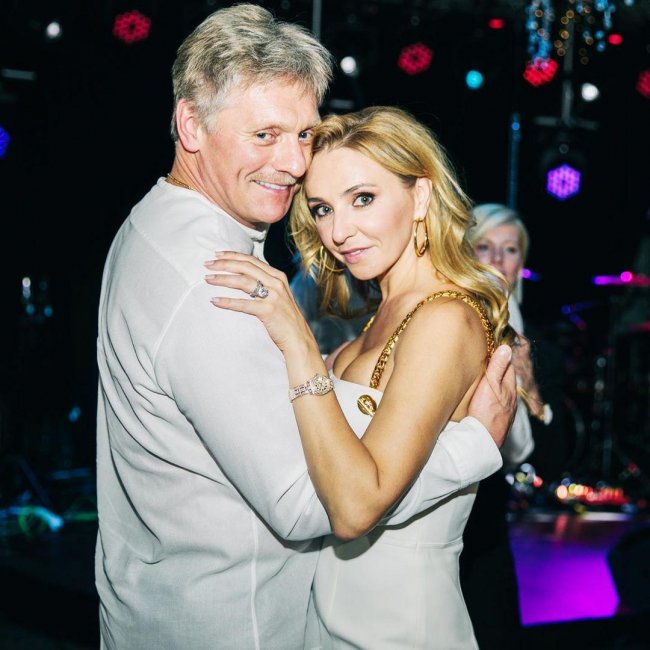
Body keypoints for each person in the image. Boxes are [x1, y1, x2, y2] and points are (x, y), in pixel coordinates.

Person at [95, 6, 516, 649]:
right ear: (191, 126)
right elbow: (311, 503)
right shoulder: (216, 278)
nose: (293, 162)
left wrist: (300, 348)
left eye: (302, 135)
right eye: (265, 134)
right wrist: (473, 448)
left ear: (421, 194)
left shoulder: (154, 228)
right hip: (239, 624)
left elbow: (349, 492)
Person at [204, 106, 515, 649]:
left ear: (421, 196)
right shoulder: (377, 319)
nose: (338, 231)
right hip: (332, 621)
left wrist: (300, 344)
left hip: (400, 631)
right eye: (322, 209)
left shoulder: (445, 319)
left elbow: (354, 508)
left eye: (363, 198)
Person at [459, 203, 547, 649]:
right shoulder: (464, 311)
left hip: (488, 495)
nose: (497, 259)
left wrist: (530, 384)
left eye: (510, 250)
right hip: (459, 492)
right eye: (485, 247)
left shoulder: (513, 313)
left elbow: (526, 444)